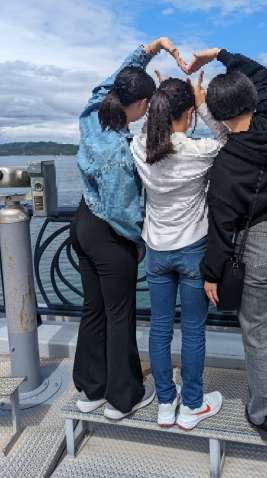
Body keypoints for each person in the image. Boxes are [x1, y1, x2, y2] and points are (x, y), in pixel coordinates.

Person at [185, 48, 267, 441]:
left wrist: (211, 274)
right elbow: (265, 75)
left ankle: (266, 416)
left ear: (219, 116)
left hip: (259, 243)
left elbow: (221, 228)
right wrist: (219, 55)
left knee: (259, 334)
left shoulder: (226, 165)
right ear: (253, 99)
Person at [71, 37, 185, 420]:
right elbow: (124, 213)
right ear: (139, 104)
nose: (147, 111)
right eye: (147, 105)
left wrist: (151, 48)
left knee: (93, 310)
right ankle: (123, 399)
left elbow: (112, 80)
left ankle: (91, 389)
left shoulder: (92, 116)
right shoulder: (122, 153)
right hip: (108, 236)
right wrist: (137, 242)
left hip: (82, 225)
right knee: (120, 316)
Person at [131, 72, 225, 430]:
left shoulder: (140, 147)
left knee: (159, 329)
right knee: (193, 330)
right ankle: (193, 405)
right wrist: (202, 104)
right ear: (188, 113)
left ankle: (166, 403)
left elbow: (152, 130)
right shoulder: (200, 151)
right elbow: (229, 139)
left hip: (156, 250)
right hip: (192, 250)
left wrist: (164, 96)